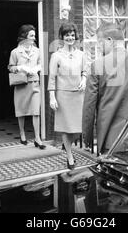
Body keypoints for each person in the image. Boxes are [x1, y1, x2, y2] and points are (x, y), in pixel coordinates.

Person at [82, 23, 128, 155]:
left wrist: (87, 138)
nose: (99, 47)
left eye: (100, 42)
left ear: (109, 40)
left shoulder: (97, 65)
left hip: (110, 141)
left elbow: (89, 107)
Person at [48, 22, 87, 170]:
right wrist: (52, 97)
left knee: (78, 128)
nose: (70, 38)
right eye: (66, 35)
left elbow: (84, 71)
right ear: (62, 37)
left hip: (78, 95)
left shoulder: (81, 54)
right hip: (63, 95)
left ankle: (67, 146)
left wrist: (84, 80)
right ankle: (70, 156)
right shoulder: (56, 56)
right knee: (66, 127)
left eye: (72, 35)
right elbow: (52, 78)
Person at [8, 24, 45, 149]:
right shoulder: (15, 52)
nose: (34, 38)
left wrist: (37, 68)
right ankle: (22, 133)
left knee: (36, 111)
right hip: (21, 85)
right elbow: (10, 67)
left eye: (34, 35)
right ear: (24, 37)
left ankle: (37, 138)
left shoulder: (37, 51)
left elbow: (41, 64)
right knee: (21, 110)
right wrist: (20, 68)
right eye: (31, 35)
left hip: (34, 84)